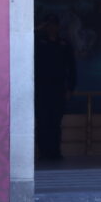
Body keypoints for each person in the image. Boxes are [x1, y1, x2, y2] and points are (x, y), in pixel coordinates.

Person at [34, 14, 76, 161]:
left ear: (58, 27)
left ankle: (55, 152)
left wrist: (70, 88)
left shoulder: (64, 44)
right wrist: (38, 29)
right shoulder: (39, 42)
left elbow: (71, 68)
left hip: (58, 89)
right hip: (41, 89)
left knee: (55, 123)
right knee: (42, 122)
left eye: (54, 25)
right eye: (49, 25)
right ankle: (43, 153)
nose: (52, 28)